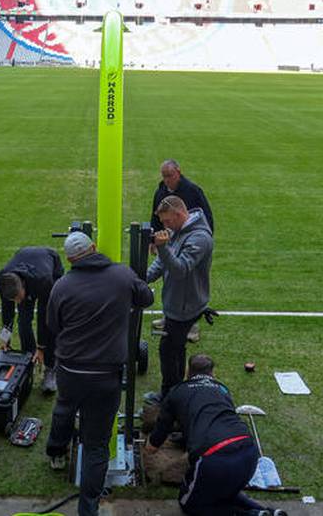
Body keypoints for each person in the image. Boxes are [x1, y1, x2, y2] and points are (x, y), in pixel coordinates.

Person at [46, 232, 154, 516]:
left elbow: (53, 325)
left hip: (70, 370)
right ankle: (88, 508)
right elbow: (147, 298)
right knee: (96, 445)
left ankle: (56, 452)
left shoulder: (62, 286)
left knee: (64, 409)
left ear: (70, 259)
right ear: (93, 247)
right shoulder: (122, 275)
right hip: (106, 376)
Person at [146, 355, 286, 516]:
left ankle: (251, 515)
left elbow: (158, 436)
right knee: (225, 493)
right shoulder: (222, 389)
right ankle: (268, 512)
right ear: (212, 373)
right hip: (248, 451)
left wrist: (149, 446)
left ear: (187, 371)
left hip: (214, 456)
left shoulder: (177, 391)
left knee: (189, 504)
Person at [146, 195, 214, 402]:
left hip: (185, 307)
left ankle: (170, 396)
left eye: (167, 221)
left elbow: (180, 270)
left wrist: (162, 247)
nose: (165, 226)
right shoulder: (178, 229)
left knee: (168, 351)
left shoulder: (199, 239)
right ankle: (176, 392)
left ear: (178, 214)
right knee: (175, 348)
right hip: (178, 302)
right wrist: (142, 278)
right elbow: (162, 262)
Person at [0, 246, 63, 393]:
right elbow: (7, 309)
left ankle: (50, 368)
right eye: (13, 299)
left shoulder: (44, 282)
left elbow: (44, 317)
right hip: (25, 260)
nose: (17, 302)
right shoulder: (2, 281)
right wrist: (5, 338)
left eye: (18, 297)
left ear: (23, 286)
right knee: (23, 321)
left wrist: (41, 348)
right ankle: (28, 359)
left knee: (50, 324)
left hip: (50, 266)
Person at [151, 159, 215, 234]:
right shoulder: (160, 193)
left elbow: (206, 216)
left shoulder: (193, 191)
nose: (167, 180)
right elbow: (155, 220)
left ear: (178, 173)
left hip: (190, 235)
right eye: (164, 176)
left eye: (169, 176)